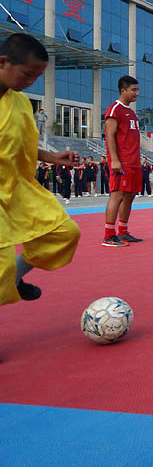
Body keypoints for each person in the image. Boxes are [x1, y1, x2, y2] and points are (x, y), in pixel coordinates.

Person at [0, 33, 81, 322]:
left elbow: (19, 144)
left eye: (37, 76)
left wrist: (51, 157)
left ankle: (16, 279)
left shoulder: (20, 104)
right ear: (3, 62)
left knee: (64, 233)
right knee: (1, 264)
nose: (30, 81)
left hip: (17, 187)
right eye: (27, 74)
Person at [102, 76, 143, 247]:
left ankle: (123, 231)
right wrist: (115, 160)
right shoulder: (114, 110)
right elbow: (110, 136)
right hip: (122, 162)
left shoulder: (131, 113)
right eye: (133, 90)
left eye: (137, 90)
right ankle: (109, 235)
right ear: (123, 90)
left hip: (134, 162)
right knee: (117, 195)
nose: (137, 93)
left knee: (130, 196)